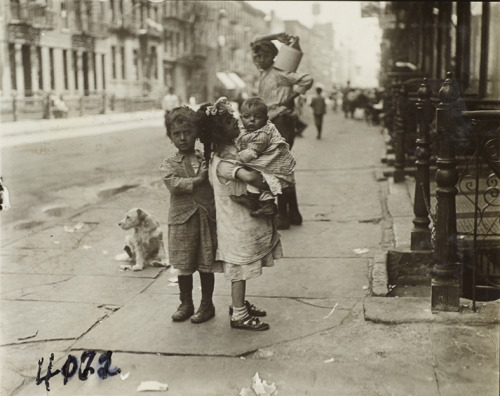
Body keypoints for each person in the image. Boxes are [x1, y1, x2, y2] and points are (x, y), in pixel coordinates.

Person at [195, 98, 283, 331]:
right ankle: (238, 315)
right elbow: (252, 178)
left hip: (239, 219)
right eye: (229, 121)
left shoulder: (232, 150)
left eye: (234, 119)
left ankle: (239, 304)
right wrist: (270, 181)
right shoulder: (223, 163)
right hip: (235, 223)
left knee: (241, 268)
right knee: (239, 269)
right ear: (217, 132)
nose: (236, 123)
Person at [160, 106, 223, 324]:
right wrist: (197, 180)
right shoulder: (170, 163)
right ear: (170, 137)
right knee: (184, 265)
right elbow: (173, 184)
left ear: (196, 132)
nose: (183, 138)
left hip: (205, 217)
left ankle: (207, 304)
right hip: (182, 220)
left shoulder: (205, 158)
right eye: (176, 134)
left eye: (187, 132)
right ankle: (186, 303)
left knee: (206, 263)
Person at [250, 33, 313, 229]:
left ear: (273, 57)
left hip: (282, 122)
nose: (260, 60)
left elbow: (306, 79)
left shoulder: (279, 72)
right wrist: (275, 36)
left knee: (279, 167)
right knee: (281, 167)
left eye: (264, 56)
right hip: (270, 124)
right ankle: (294, 214)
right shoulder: (264, 73)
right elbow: (253, 42)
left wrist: (292, 97)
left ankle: (284, 216)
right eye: (257, 57)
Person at [229, 96, 296, 218]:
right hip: (267, 163)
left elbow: (250, 153)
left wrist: (234, 157)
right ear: (241, 117)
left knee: (257, 172)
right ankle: (258, 199)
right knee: (258, 172)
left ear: (266, 119)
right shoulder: (248, 130)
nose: (252, 120)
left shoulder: (262, 134)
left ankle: (265, 203)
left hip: (274, 165)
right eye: (246, 117)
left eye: (258, 117)